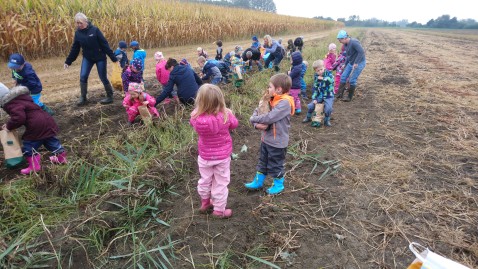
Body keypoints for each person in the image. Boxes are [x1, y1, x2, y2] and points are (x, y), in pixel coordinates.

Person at [190, 84, 238, 218]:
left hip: (205, 156)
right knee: (221, 182)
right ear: (220, 100)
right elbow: (234, 124)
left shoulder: (196, 117)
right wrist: (229, 112)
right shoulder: (226, 115)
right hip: (222, 157)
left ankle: (205, 203)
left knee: (205, 180)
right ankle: (219, 210)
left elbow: (191, 122)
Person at [0, 83, 67, 175]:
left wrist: (8, 126)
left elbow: (19, 118)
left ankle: (35, 167)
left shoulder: (11, 104)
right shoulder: (22, 99)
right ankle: (61, 158)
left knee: (29, 145)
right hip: (47, 120)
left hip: (35, 125)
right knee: (49, 140)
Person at [245, 74, 295, 195]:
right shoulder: (271, 99)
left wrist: (253, 119)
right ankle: (258, 181)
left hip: (277, 142)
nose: (268, 89)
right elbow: (259, 109)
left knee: (276, 164)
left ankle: (279, 185)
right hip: (266, 139)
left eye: (270, 87)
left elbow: (269, 117)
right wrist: (255, 119)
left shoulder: (284, 103)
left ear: (278, 89)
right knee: (263, 161)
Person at [64, 12, 118, 106]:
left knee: (103, 77)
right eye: (77, 23)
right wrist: (68, 61)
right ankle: (83, 98)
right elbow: (75, 48)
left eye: (80, 23)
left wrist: (113, 58)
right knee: (83, 76)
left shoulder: (95, 30)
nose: (79, 25)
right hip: (88, 58)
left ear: (86, 21)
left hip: (100, 57)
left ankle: (110, 96)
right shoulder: (78, 34)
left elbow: (104, 44)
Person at [302, 60, 334, 127]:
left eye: (321, 69)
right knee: (311, 106)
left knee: (328, 108)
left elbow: (331, 81)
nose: (320, 72)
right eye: (318, 71)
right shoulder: (316, 77)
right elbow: (315, 89)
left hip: (328, 96)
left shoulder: (329, 74)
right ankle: (308, 117)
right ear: (315, 71)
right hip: (320, 95)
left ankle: (326, 120)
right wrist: (314, 98)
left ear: (324, 67)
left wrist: (323, 78)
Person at [336, 30, 366, 102]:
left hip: (360, 62)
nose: (340, 42)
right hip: (351, 62)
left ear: (345, 38)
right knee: (343, 77)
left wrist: (356, 62)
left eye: (340, 40)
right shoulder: (345, 45)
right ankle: (339, 94)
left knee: (352, 80)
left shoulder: (354, 42)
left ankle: (349, 97)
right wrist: (345, 64)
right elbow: (348, 55)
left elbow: (361, 52)